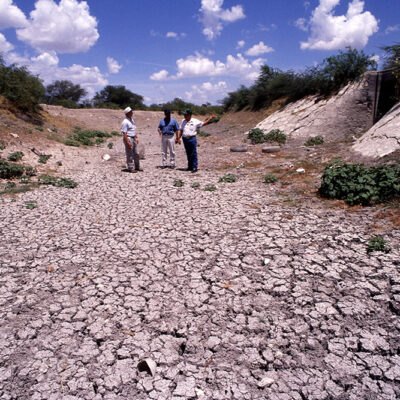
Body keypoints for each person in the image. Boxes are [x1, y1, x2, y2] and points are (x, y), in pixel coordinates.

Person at [177, 108, 215, 173]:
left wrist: (210, 119)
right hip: (185, 139)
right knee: (188, 153)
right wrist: (178, 138)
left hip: (192, 139)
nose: (185, 116)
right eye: (184, 115)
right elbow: (181, 130)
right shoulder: (183, 121)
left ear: (189, 115)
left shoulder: (195, 121)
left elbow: (203, 124)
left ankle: (194, 167)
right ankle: (190, 166)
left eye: (186, 115)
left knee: (193, 153)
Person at [121, 106, 143, 172]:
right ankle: (131, 168)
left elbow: (134, 129)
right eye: (131, 112)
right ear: (127, 113)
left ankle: (137, 167)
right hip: (129, 138)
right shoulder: (125, 122)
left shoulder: (132, 120)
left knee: (136, 153)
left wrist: (136, 137)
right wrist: (127, 142)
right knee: (129, 153)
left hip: (133, 137)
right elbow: (124, 133)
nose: (132, 113)